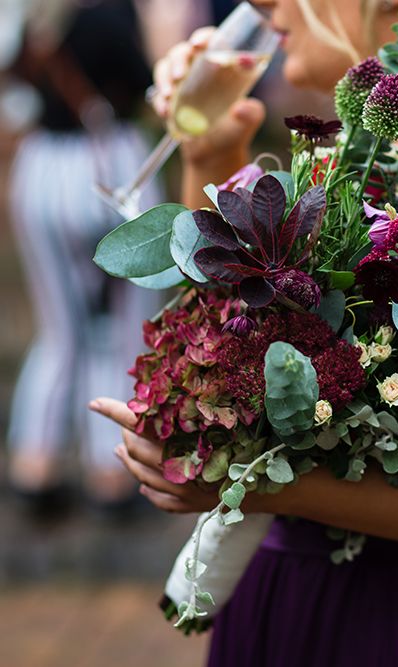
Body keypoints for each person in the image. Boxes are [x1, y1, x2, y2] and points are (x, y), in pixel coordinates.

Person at [91, 0, 398, 664]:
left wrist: (253, 480)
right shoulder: (333, 166)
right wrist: (211, 150)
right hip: (276, 599)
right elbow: (223, 341)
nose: (257, 4)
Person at [4, 0, 162, 507]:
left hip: (41, 170)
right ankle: (110, 473)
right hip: (106, 168)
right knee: (119, 329)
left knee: (60, 331)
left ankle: (34, 465)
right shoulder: (109, 16)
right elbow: (147, 88)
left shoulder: (44, 19)